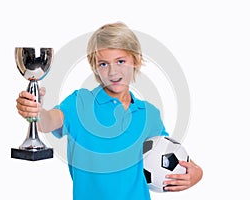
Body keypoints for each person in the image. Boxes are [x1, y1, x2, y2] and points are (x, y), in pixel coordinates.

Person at [16, 22, 203, 200]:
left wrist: (197, 174)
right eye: (103, 64)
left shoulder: (149, 114)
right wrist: (36, 111)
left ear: (136, 61)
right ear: (95, 67)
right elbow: (48, 122)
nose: (113, 72)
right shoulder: (80, 102)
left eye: (120, 61)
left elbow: (170, 155)